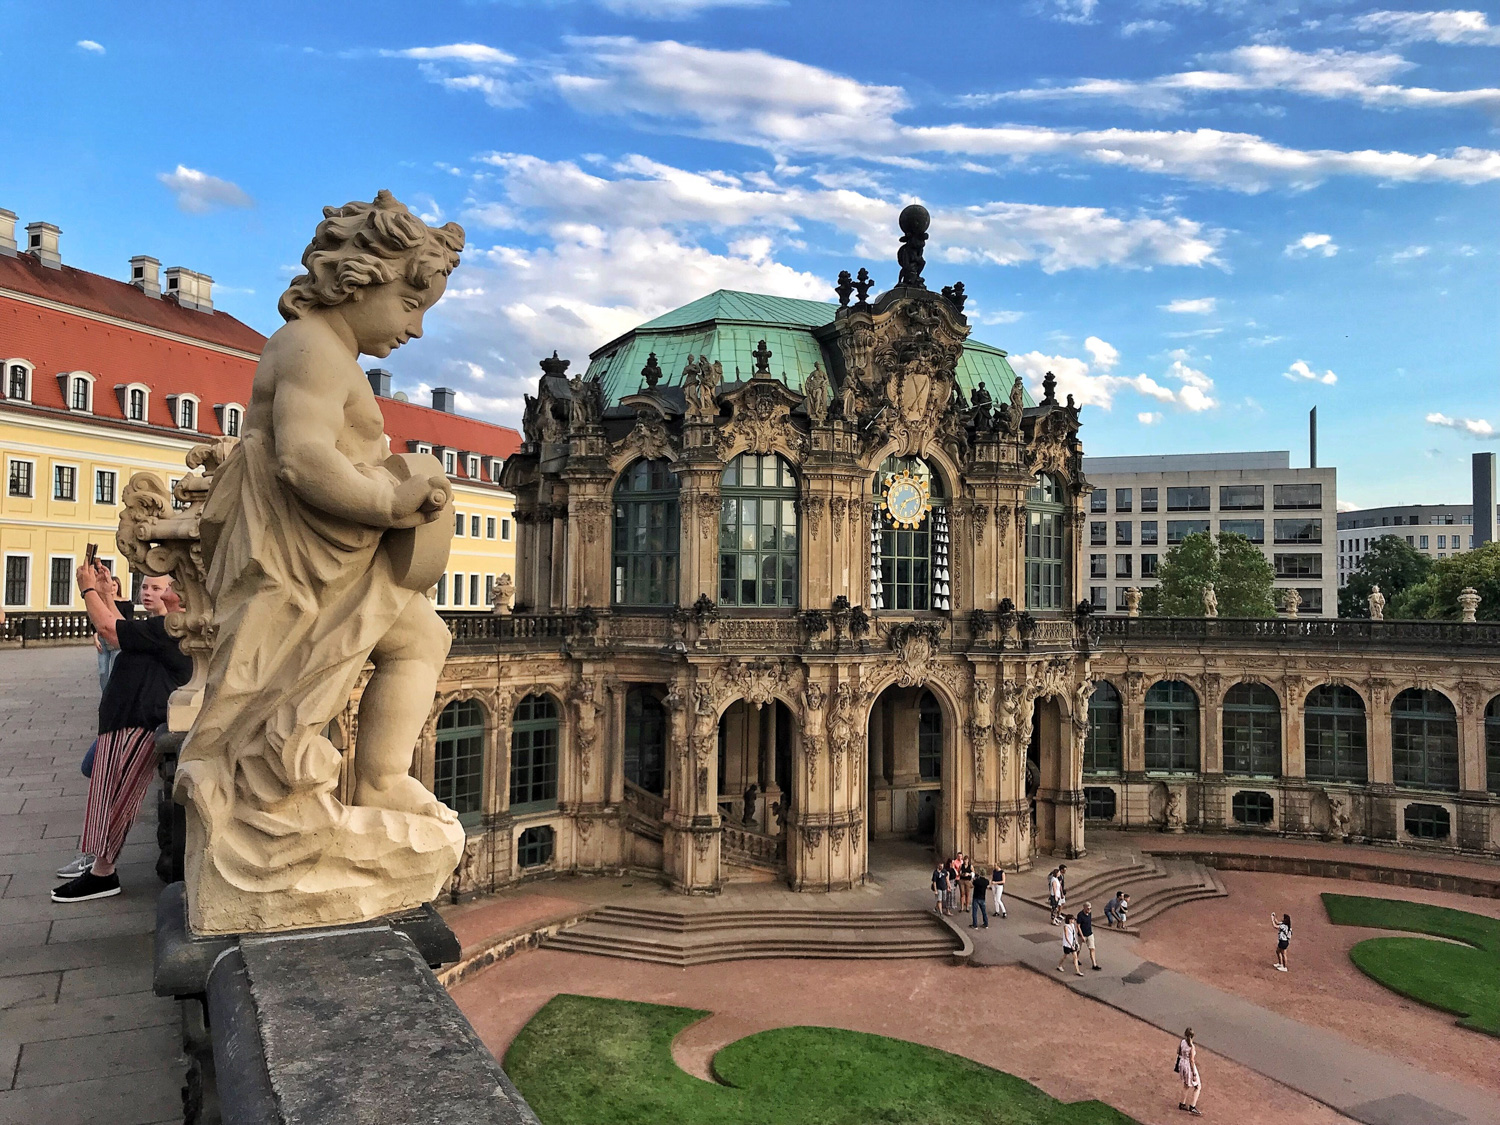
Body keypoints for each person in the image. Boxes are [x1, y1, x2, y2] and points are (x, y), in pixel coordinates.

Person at [53, 564, 190, 902]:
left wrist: (87, 590)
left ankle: (102, 873)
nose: (160, 593)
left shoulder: (172, 630)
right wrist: (105, 594)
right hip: (128, 718)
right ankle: (100, 869)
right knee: (110, 796)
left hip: (137, 720)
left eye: (165, 588)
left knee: (114, 798)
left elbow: (110, 631)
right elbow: (126, 631)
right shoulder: (164, 629)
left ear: (181, 601)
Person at [1176, 1027, 1202, 1115]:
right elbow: (1191, 1060)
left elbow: (1178, 1052)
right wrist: (1194, 1073)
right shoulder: (1191, 1047)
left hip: (1182, 1064)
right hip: (1188, 1066)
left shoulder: (1182, 1042)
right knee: (1198, 1086)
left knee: (1186, 1085)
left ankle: (1182, 1104)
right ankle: (1192, 1107)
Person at [1078, 901, 1100, 970]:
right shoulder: (1080, 915)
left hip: (1089, 933)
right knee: (1078, 948)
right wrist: (1082, 936)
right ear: (1084, 908)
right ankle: (1076, 958)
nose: (1089, 910)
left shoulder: (1090, 914)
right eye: (1088, 909)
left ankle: (1094, 964)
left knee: (1092, 948)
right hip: (1082, 934)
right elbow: (1078, 926)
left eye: (1090, 909)